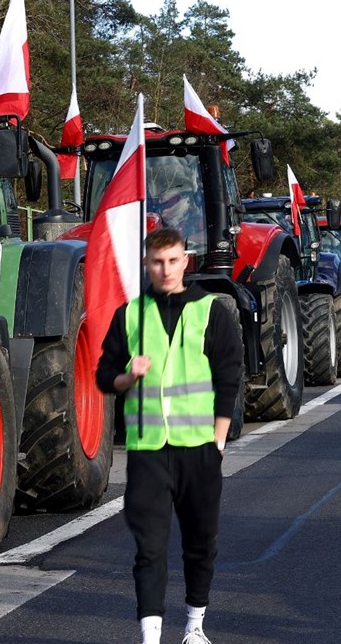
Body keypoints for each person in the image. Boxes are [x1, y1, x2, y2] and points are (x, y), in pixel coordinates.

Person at [96, 226, 243, 644]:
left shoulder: (210, 311)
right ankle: (150, 635)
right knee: (150, 549)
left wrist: (218, 440)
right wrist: (128, 376)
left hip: (199, 449)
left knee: (201, 544)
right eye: (157, 262)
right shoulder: (129, 314)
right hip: (148, 452)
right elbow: (104, 377)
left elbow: (229, 377)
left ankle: (194, 627)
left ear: (185, 261)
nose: (165, 269)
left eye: (173, 260)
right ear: (147, 264)